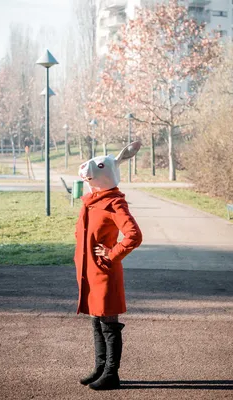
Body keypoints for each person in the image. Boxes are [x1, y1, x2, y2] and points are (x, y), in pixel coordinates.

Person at [74, 141, 143, 391]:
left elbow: (134, 235)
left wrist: (111, 254)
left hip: (104, 272)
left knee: (108, 323)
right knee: (95, 320)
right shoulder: (92, 199)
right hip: (90, 272)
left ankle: (112, 374)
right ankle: (100, 368)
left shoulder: (114, 203)